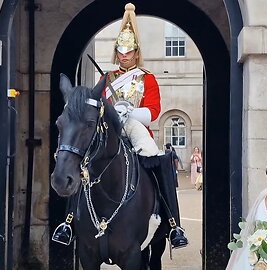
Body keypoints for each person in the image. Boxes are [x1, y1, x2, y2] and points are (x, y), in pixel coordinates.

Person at [53, 3, 188, 249]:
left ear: (136, 52)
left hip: (137, 129)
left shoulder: (147, 78)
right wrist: (111, 112)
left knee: (157, 160)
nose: (125, 55)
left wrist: (131, 111)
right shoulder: (108, 78)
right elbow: (97, 107)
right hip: (110, 129)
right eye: (121, 51)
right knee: (84, 162)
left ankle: (172, 223)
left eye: (129, 51)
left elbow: (154, 112)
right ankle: (70, 222)